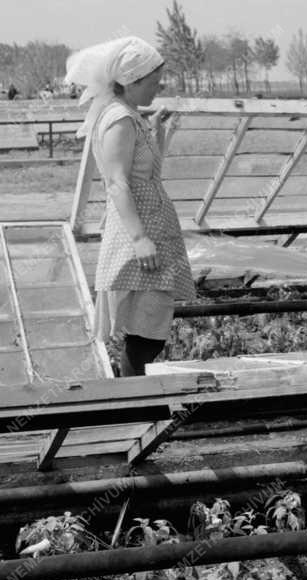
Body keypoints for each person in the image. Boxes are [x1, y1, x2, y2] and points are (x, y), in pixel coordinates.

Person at [65, 36, 194, 376]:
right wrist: (139, 239)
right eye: (153, 82)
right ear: (131, 82)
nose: (158, 87)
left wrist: (156, 133)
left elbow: (144, 173)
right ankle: (136, 401)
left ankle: (137, 398)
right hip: (138, 235)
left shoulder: (131, 117)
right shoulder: (119, 120)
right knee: (145, 333)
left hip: (151, 229)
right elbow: (118, 182)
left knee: (148, 328)